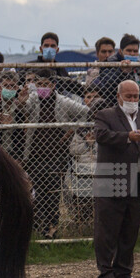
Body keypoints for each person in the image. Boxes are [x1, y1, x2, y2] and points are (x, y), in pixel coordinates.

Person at [93, 81, 140, 278]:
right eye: (129, 96)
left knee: (130, 228)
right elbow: (101, 135)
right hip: (111, 177)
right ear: (119, 96)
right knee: (107, 230)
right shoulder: (105, 115)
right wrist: (127, 137)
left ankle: (123, 271)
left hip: (137, 177)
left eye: (135, 96)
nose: (133, 100)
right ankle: (105, 273)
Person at [23, 69, 92, 238]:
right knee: (37, 191)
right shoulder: (32, 99)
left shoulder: (63, 101)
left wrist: (72, 130)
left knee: (53, 192)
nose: (42, 88)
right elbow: (23, 108)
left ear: (53, 85)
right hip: (34, 155)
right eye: (39, 84)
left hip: (57, 154)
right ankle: (40, 228)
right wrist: (21, 101)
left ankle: (52, 228)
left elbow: (85, 113)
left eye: (46, 84)